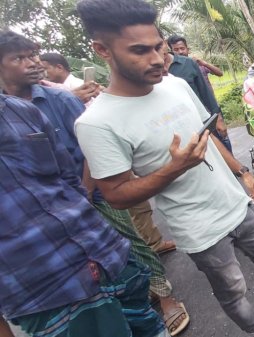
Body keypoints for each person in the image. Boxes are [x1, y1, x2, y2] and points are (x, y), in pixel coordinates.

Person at [74, 2, 254, 337]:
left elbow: (206, 135)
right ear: (102, 50)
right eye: (139, 51)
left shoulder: (175, 86)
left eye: (157, 48)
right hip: (197, 227)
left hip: (233, 204)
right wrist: (174, 168)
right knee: (232, 288)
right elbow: (116, 195)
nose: (155, 59)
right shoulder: (97, 122)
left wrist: (242, 172)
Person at [0, 30, 190, 336]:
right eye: (19, 58)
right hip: (39, 284)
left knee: (134, 244)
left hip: (93, 199)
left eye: (33, 55)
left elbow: (87, 150)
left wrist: (85, 195)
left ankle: (166, 298)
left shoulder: (47, 104)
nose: (32, 63)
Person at [0, 94, 166, 337]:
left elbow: (68, 177)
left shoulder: (21, 110)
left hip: (109, 257)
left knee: (152, 328)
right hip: (46, 292)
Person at [166, 36, 232, 152]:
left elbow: (206, 89)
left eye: (182, 48)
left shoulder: (191, 63)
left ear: (187, 49)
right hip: (187, 120)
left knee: (223, 145)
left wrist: (218, 118)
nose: (180, 52)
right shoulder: (162, 70)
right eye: (176, 49)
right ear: (169, 49)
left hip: (207, 113)